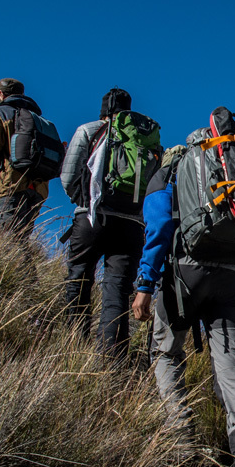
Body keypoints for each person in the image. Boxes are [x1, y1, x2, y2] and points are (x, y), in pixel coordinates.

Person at [130, 129, 235, 467]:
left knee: (166, 355)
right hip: (231, 277)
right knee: (234, 371)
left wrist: (145, 282)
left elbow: (159, 229)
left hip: (184, 277)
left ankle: (181, 446)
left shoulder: (170, 173)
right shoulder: (232, 173)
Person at [60, 88, 150, 358]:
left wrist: (85, 201)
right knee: (118, 290)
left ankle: (72, 347)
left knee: (79, 276)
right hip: (132, 224)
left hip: (92, 217)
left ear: (103, 110)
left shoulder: (89, 130)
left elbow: (68, 175)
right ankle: (111, 361)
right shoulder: (146, 140)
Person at [0, 78, 51, 240]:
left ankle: (24, 266)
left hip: (11, 185)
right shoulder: (37, 119)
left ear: (0, 94)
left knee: (8, 244)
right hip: (38, 191)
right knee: (20, 240)